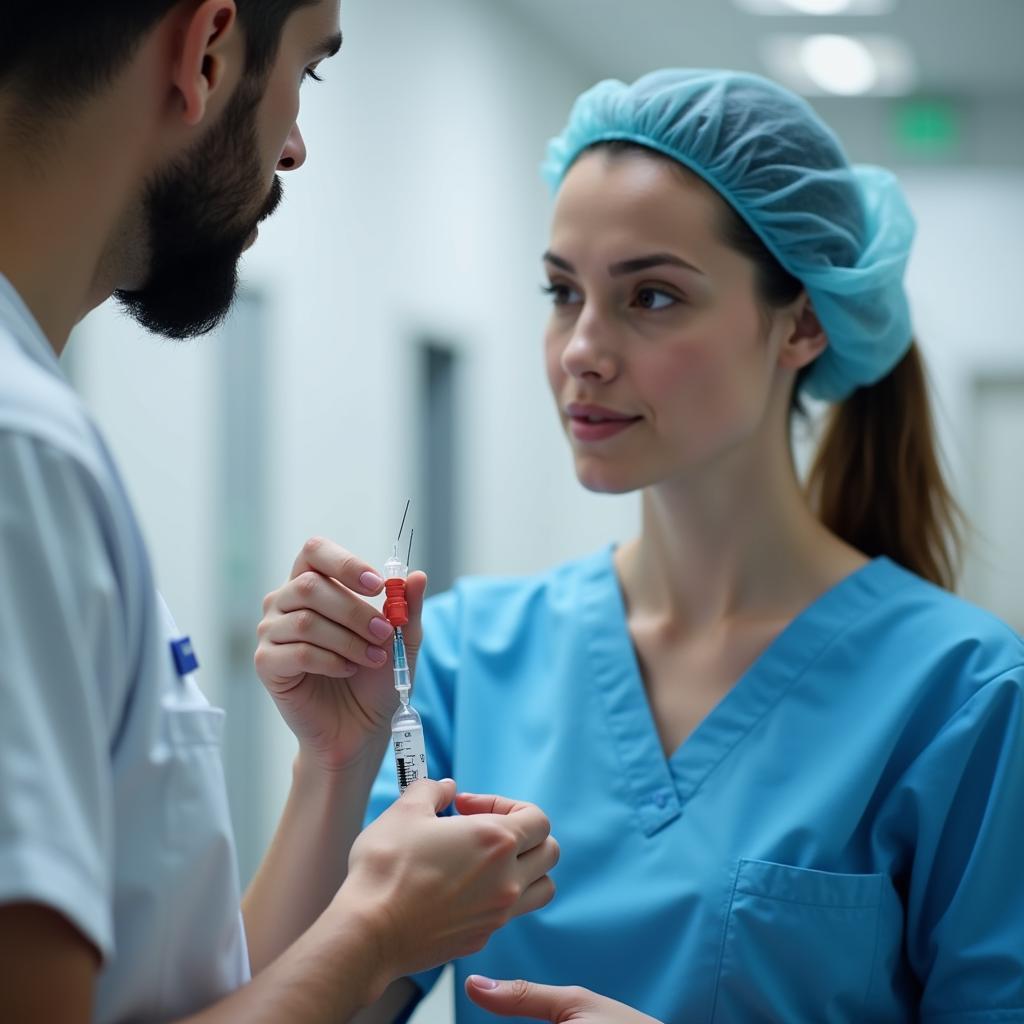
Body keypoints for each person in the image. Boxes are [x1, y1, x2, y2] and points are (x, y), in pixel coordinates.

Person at [290, 69, 1024, 1022]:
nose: (582, 349)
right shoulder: (470, 658)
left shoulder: (961, 694)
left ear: (801, 321)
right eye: (561, 292)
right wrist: (329, 763)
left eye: (653, 297)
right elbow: (308, 1001)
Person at [0, 3, 559, 1022]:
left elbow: (168, 998)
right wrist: (375, 930)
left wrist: (333, 767)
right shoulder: (20, 450)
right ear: (207, 50)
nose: (294, 145)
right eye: (309, 72)